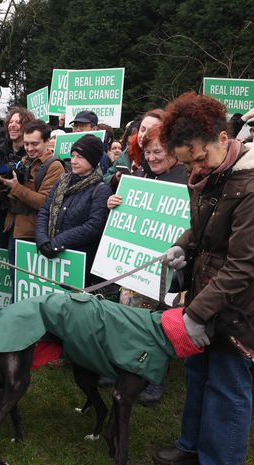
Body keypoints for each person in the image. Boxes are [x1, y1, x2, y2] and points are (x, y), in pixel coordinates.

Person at [152, 92, 254, 465]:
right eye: (187, 162)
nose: (194, 168)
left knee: (228, 382)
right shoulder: (211, 175)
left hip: (240, 302)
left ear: (223, 138)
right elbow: (205, 229)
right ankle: (193, 446)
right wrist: (183, 244)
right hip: (209, 287)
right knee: (198, 374)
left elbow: (245, 263)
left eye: (199, 158)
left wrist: (196, 313)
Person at [106, 122, 188, 404]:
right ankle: (126, 369)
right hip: (136, 269)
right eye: (148, 152)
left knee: (160, 324)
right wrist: (115, 203)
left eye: (158, 152)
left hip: (169, 269)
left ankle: (154, 377)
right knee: (131, 321)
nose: (152, 158)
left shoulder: (186, 180)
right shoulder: (140, 174)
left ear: (174, 152)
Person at [35, 134, 110, 284]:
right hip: (51, 257)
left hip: (78, 263)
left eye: (80, 157)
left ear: (93, 160)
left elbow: (93, 227)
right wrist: (42, 241)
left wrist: (57, 242)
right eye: (73, 155)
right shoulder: (62, 181)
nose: (74, 161)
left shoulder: (101, 190)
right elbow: (45, 211)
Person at [0, 118, 64, 264]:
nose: (29, 148)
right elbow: (4, 197)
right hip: (13, 228)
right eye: (26, 144)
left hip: (34, 233)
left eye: (34, 144)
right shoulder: (24, 161)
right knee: (16, 280)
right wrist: (3, 183)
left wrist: (16, 187)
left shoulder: (54, 166)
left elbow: (44, 202)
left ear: (47, 142)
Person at [0, 107, 35, 250]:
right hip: (2, 213)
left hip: (22, 215)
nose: (13, 125)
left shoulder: (31, 153)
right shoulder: (2, 150)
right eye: (11, 121)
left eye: (18, 122)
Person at [105, 109, 164, 188]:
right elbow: (106, 178)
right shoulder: (127, 153)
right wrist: (116, 178)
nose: (144, 135)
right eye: (142, 130)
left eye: (151, 131)